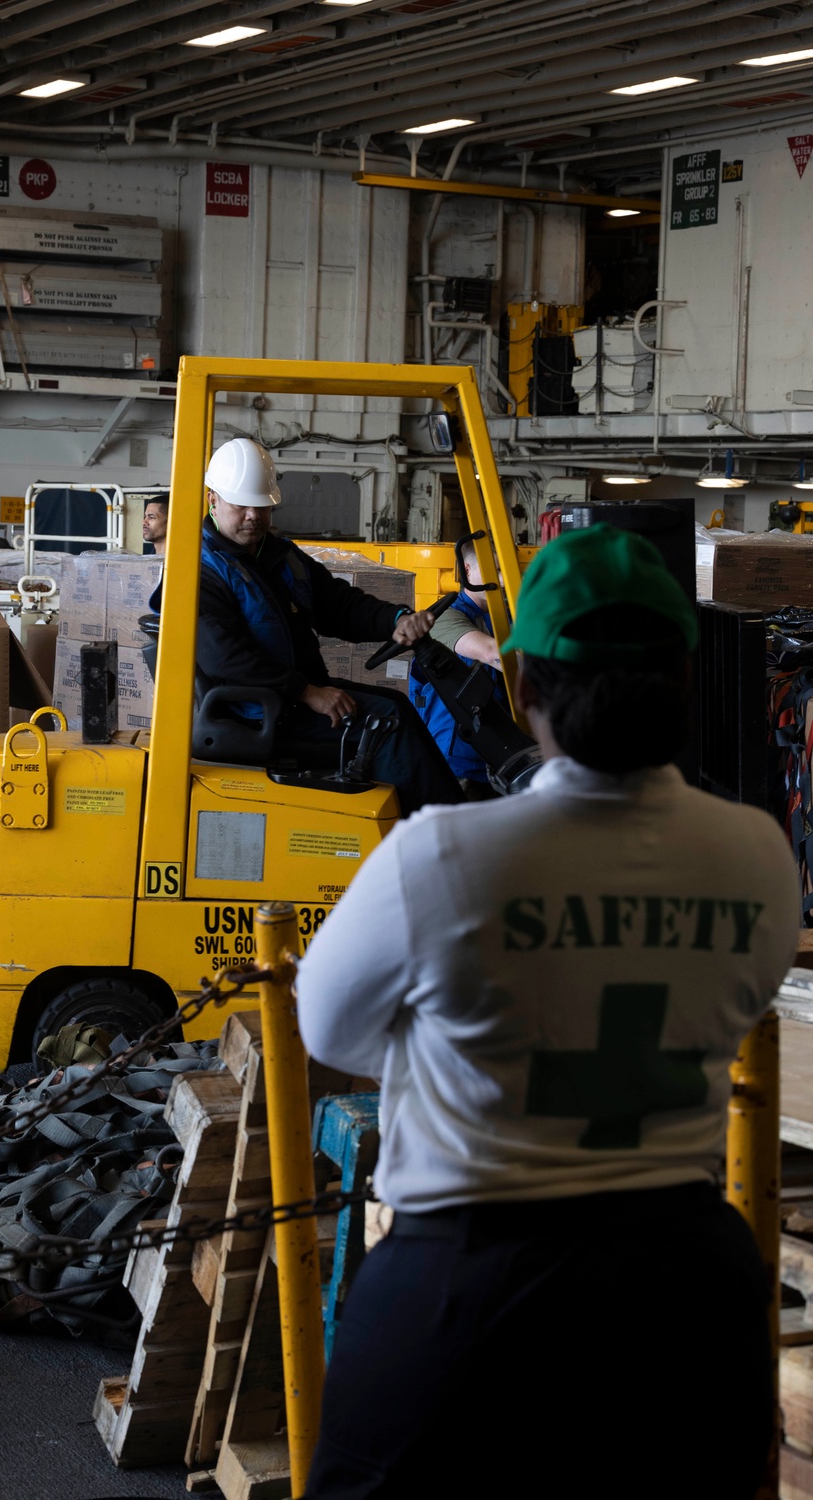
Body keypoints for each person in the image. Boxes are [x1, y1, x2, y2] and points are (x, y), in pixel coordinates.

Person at [296, 523, 799, 1500]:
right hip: (688, 1297)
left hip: (468, 1295)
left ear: (522, 684)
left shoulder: (442, 857)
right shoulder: (757, 859)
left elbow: (330, 1029)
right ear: (685, 685)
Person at [197, 438, 463, 817]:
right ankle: (441, 835)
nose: (254, 516)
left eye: (262, 506)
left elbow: (337, 604)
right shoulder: (201, 570)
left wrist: (395, 620)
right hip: (257, 710)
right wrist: (307, 692)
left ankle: (446, 822)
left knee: (398, 705)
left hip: (288, 696)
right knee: (385, 722)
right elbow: (226, 657)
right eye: (241, 505)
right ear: (213, 501)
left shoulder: (276, 554)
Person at [410, 536, 506, 795]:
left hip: (501, 754)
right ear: (467, 570)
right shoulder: (445, 617)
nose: (504, 579)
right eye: (496, 569)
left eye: (507, 570)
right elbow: (491, 653)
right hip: (459, 761)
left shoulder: (505, 617)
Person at [142, 492, 169, 557]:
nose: (144, 522)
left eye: (151, 517)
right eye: (145, 517)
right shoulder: (149, 561)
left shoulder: (184, 561)